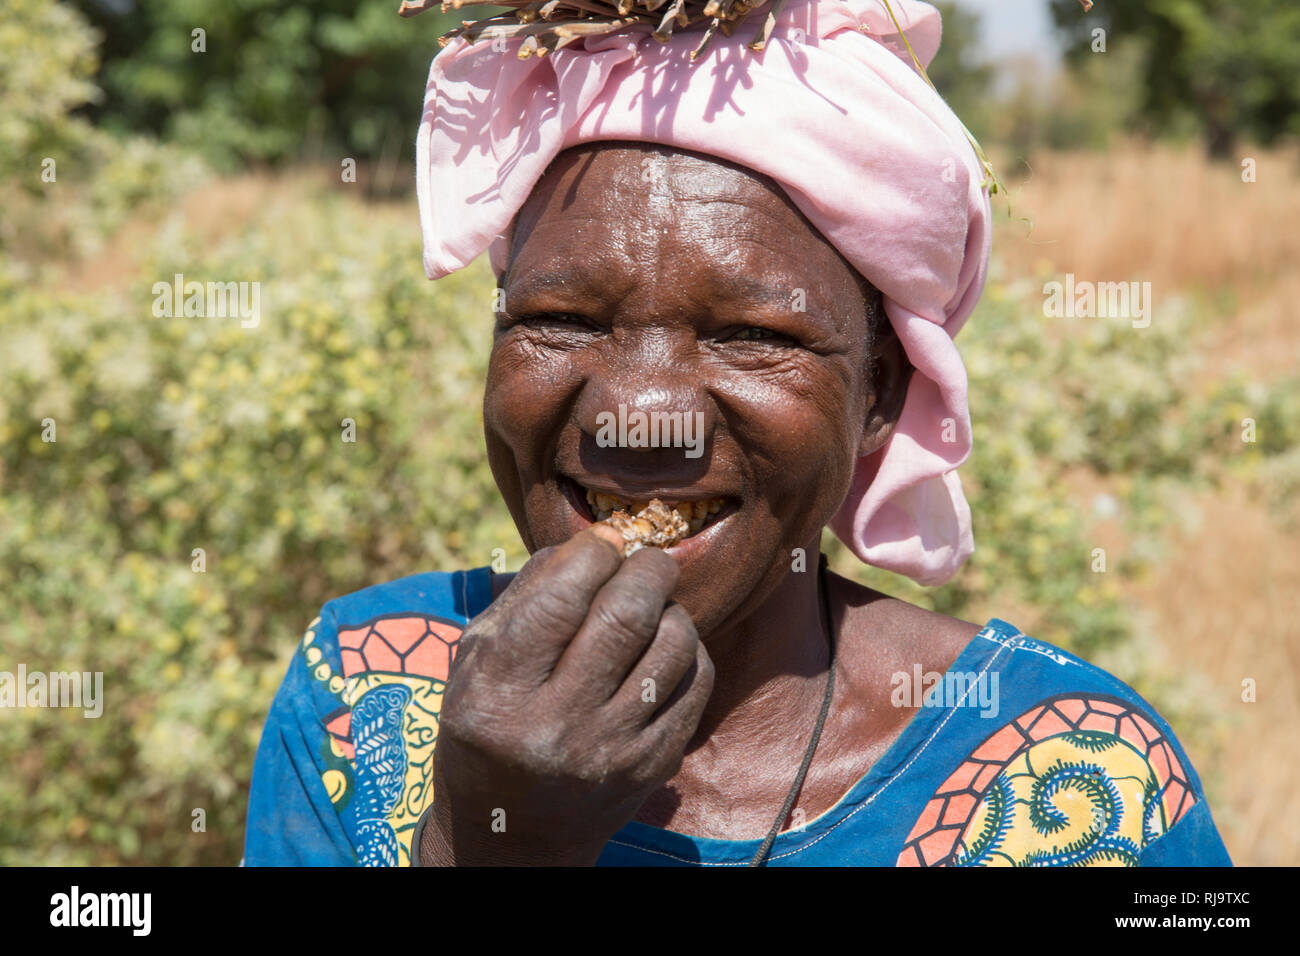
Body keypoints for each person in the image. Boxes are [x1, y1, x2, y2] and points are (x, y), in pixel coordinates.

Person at [243, 0, 1231, 867]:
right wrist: (490, 835)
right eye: (562, 320)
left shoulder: (1074, 780)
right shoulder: (364, 690)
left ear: (881, 390)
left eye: (751, 336)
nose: (639, 412)